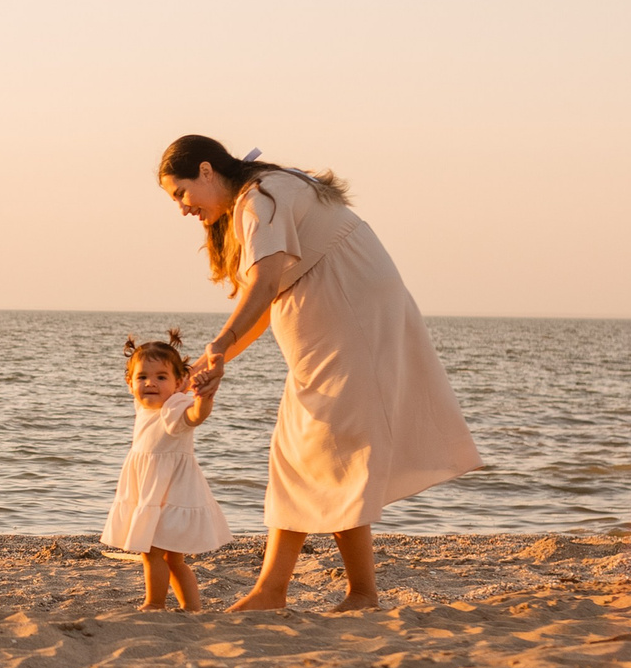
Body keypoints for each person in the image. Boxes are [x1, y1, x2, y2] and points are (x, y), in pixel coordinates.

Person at [161, 136, 480, 611]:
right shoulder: (265, 194)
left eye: (181, 193)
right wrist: (215, 360)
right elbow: (265, 298)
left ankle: (357, 593)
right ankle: (275, 589)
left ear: (206, 171)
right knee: (300, 452)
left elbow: (266, 283)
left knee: (333, 450)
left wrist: (221, 346)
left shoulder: (261, 198)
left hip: (352, 322)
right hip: (342, 325)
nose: (182, 208)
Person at [98, 329, 231, 610]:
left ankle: (155, 603)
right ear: (129, 382)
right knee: (172, 559)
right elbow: (147, 389)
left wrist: (204, 398)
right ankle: (191, 608)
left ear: (179, 382)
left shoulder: (175, 405)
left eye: (161, 377)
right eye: (142, 377)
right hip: (155, 492)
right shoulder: (145, 405)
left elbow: (195, 417)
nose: (150, 383)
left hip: (170, 494)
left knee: (152, 553)